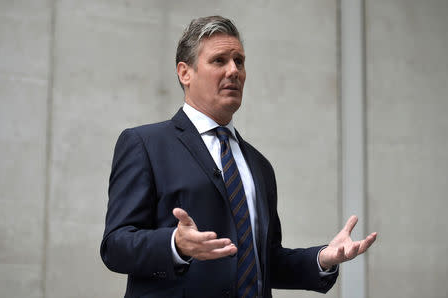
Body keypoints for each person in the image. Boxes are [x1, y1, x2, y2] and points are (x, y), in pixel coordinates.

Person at [100, 15, 377, 298]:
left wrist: (322, 259)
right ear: (185, 73)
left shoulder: (259, 165)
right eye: (219, 60)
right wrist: (174, 244)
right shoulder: (145, 144)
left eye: (239, 61)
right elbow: (115, 246)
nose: (234, 70)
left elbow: (265, 261)